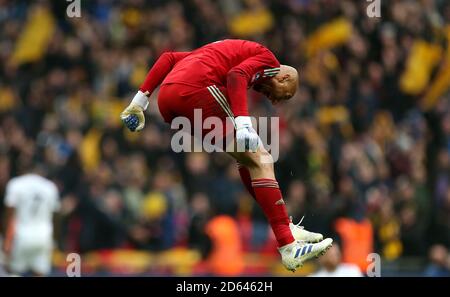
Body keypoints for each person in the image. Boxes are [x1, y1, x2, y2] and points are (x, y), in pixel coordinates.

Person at [120, 39, 333, 271]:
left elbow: (169, 58)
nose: (274, 101)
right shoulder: (269, 61)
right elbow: (236, 75)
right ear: (283, 78)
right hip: (196, 88)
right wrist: (243, 123)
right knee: (261, 158)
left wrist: (139, 101)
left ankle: (284, 226)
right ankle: (287, 243)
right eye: (284, 96)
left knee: (248, 160)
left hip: (168, 99)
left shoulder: (211, 53)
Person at [2, 166, 60, 276]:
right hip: (44, 237)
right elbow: (56, 216)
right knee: (39, 272)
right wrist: (54, 240)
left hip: (21, 236)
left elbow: (9, 215)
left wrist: (7, 240)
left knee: (13, 271)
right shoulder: (50, 186)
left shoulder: (15, 184)